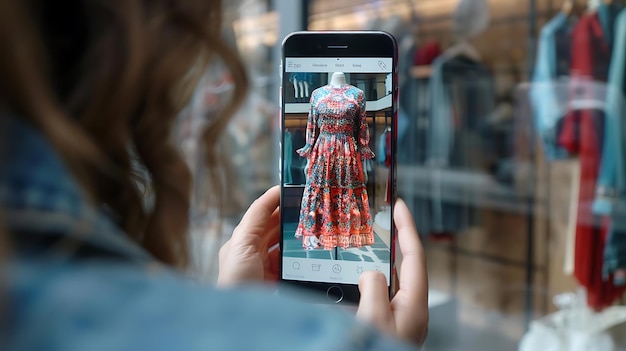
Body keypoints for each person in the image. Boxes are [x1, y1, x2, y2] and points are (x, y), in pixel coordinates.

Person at [0, 1, 428, 350]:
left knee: (342, 206)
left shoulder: (354, 93)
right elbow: (317, 127)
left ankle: (339, 251)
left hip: (344, 152)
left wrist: (234, 313)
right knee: (325, 208)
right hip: (329, 151)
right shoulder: (318, 93)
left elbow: (362, 128)